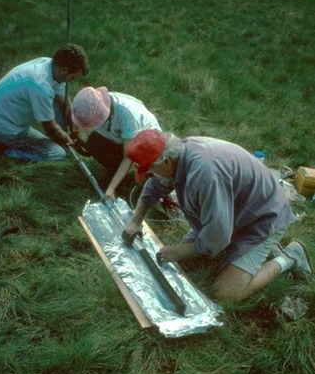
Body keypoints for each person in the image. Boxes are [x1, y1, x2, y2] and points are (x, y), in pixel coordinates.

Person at [122, 129, 313, 303]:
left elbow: (218, 236)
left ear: (166, 162)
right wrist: (135, 221)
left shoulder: (205, 174)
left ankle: (290, 257)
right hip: (236, 211)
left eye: (149, 170)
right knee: (191, 258)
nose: (149, 175)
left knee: (225, 294)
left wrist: (181, 251)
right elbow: (155, 186)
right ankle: (260, 251)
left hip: (263, 217)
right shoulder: (176, 154)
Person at [0, 44, 89, 161]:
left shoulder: (50, 65)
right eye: (72, 78)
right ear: (64, 70)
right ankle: (3, 148)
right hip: (3, 126)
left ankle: (54, 140)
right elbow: (50, 128)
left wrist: (75, 131)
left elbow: (65, 103)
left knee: (58, 104)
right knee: (57, 154)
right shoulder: (40, 85)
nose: (71, 81)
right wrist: (66, 139)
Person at [71, 86, 162, 201]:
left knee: (147, 168)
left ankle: (127, 181)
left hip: (145, 143)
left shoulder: (128, 115)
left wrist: (111, 189)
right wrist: (76, 132)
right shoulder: (91, 106)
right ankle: (115, 172)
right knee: (93, 144)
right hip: (119, 138)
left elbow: (128, 157)